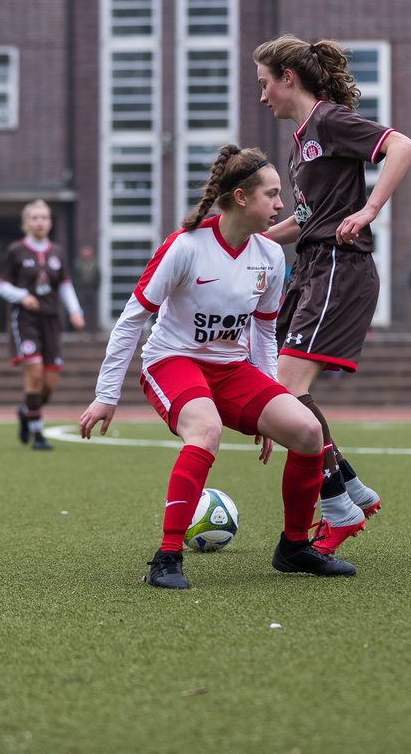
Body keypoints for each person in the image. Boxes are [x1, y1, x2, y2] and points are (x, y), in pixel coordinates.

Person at [79, 145, 356, 589]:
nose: (281, 204)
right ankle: (166, 559)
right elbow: (133, 317)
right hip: (172, 360)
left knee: (306, 430)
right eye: (271, 194)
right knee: (205, 429)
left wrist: (273, 397)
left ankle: (294, 548)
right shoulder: (185, 247)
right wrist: (106, 394)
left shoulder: (269, 256)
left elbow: (265, 334)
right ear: (242, 198)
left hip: (231, 369)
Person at [254, 33, 411, 555]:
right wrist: (245, 239)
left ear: (288, 78)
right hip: (311, 267)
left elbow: (402, 145)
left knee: (283, 392)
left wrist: (369, 209)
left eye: (264, 84)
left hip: (337, 269)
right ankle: (347, 487)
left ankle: (339, 508)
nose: (262, 97)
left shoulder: (328, 119)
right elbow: (305, 221)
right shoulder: (302, 137)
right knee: (275, 390)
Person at [0, 200, 85, 451]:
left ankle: (27, 411)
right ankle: (38, 434)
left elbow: (65, 285)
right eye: (34, 217)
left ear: (50, 222)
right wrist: (22, 296)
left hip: (51, 320)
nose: (40, 222)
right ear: (26, 223)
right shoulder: (15, 251)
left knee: (48, 385)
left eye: (44, 217)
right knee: (33, 375)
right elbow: (0, 285)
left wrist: (76, 312)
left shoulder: (57, 251)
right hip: (25, 320)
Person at [72, 244, 102, 332]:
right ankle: (81, 330)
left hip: (91, 290)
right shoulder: (78, 264)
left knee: (92, 310)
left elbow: (98, 277)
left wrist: (95, 288)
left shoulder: (94, 264)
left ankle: (93, 329)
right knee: (81, 309)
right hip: (82, 290)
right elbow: (76, 277)